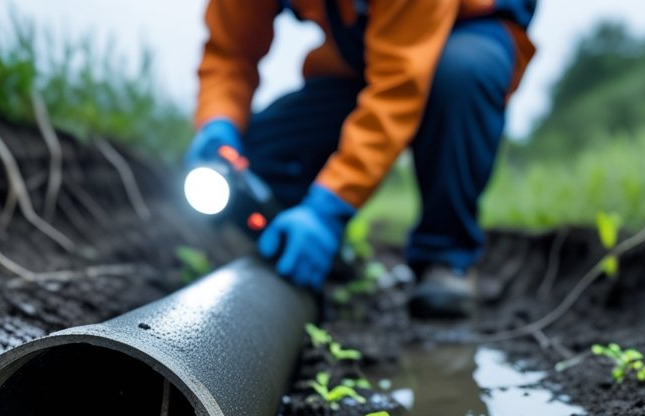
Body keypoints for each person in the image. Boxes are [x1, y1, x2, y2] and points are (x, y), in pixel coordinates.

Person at [185, 0, 536, 318]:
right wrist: (218, 122)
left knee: (459, 73)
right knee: (257, 159)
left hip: (464, 31)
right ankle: (304, 248)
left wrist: (328, 207)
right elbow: (229, 52)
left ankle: (445, 256)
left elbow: (397, 91)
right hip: (370, 52)